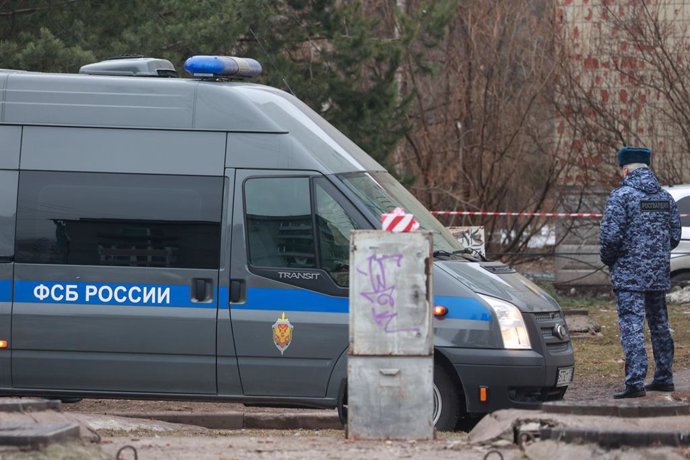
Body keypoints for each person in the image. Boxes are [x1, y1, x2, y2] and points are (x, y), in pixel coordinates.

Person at [600, 146, 682, 399]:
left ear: (625, 169)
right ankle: (664, 377)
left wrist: (610, 260)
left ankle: (635, 382)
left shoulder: (621, 196)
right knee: (659, 325)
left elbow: (610, 238)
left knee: (632, 327)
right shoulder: (665, 198)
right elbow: (675, 236)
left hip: (629, 277)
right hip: (657, 275)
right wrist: (656, 255)